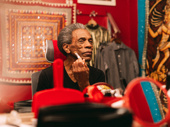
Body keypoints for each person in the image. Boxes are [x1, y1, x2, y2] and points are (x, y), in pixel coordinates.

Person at [36, 23, 105, 92]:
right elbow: (41, 102)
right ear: (66, 48)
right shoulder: (48, 75)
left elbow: (97, 102)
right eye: (81, 41)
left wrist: (84, 82)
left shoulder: (98, 75)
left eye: (90, 41)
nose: (89, 45)